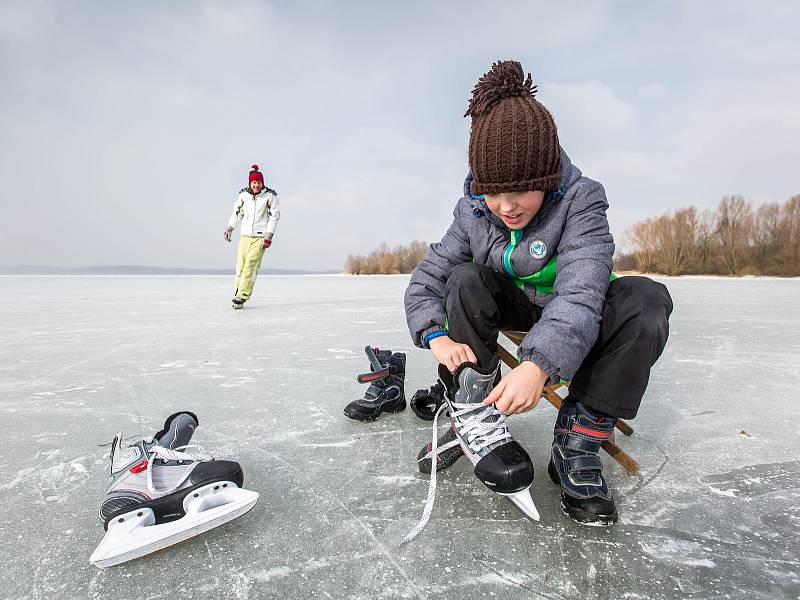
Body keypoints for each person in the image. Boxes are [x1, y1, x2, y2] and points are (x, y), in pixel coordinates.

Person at [404, 60, 673, 526]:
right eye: (493, 192)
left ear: (547, 176)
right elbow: (426, 280)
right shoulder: (473, 211)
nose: (506, 206)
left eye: (522, 190)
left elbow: (580, 295)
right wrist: (436, 337)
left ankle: (579, 437)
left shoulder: (581, 200)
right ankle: (472, 413)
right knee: (465, 278)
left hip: (576, 317)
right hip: (517, 304)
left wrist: (538, 365)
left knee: (646, 300)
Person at [224, 165, 280, 309]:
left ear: (262, 183)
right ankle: (238, 292)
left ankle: (243, 295)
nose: (256, 185)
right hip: (245, 236)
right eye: (254, 182)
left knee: (250, 265)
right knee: (241, 267)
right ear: (250, 183)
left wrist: (269, 235)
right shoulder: (244, 196)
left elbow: (274, 217)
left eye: (259, 182)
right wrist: (230, 227)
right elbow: (237, 213)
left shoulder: (270, 196)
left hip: (260, 237)